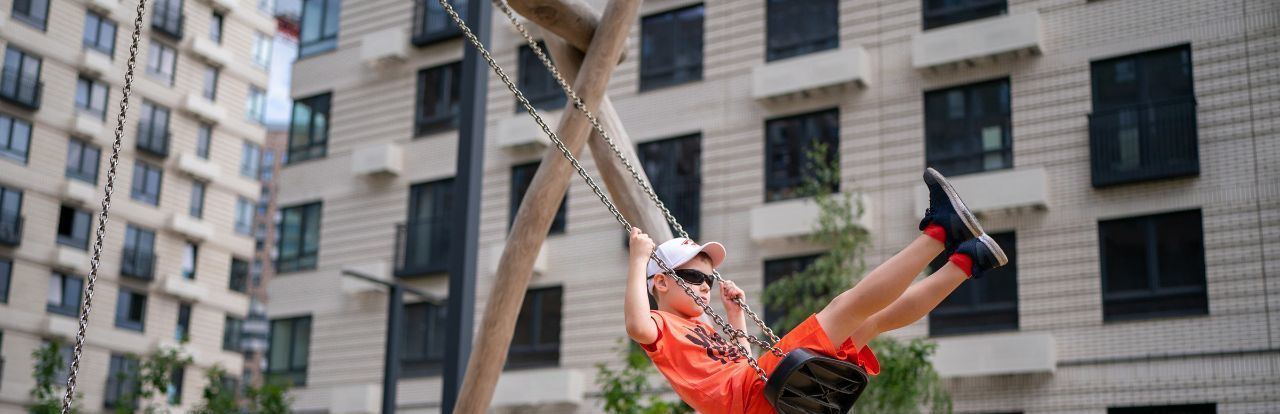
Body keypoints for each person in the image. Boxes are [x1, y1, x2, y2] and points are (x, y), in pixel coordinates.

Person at [623, 168, 1008, 413]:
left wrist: (735, 314)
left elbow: (740, 362)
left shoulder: (704, 327)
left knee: (868, 323)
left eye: (708, 281)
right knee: (846, 306)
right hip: (755, 397)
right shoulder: (659, 324)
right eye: (692, 279)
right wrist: (639, 259)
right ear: (659, 282)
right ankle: (940, 233)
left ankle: (967, 262)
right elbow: (637, 327)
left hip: (757, 390)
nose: (704, 289)